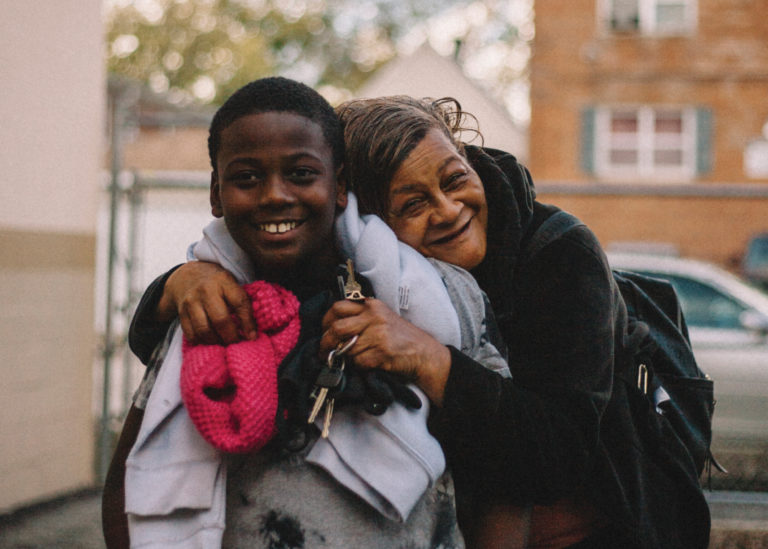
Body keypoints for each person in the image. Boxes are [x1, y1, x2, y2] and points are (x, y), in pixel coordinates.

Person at [132, 94, 711, 548]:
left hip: (593, 532)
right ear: (362, 224)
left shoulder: (558, 256)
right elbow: (157, 340)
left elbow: (555, 456)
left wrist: (432, 360)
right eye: (412, 204)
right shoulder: (363, 265)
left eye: (454, 177)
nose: (449, 209)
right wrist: (179, 286)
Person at [102, 78, 511, 549]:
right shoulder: (206, 313)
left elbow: (506, 479)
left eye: (301, 174)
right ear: (216, 194)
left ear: (339, 188)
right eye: (247, 178)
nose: (275, 194)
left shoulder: (436, 298)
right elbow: (129, 484)